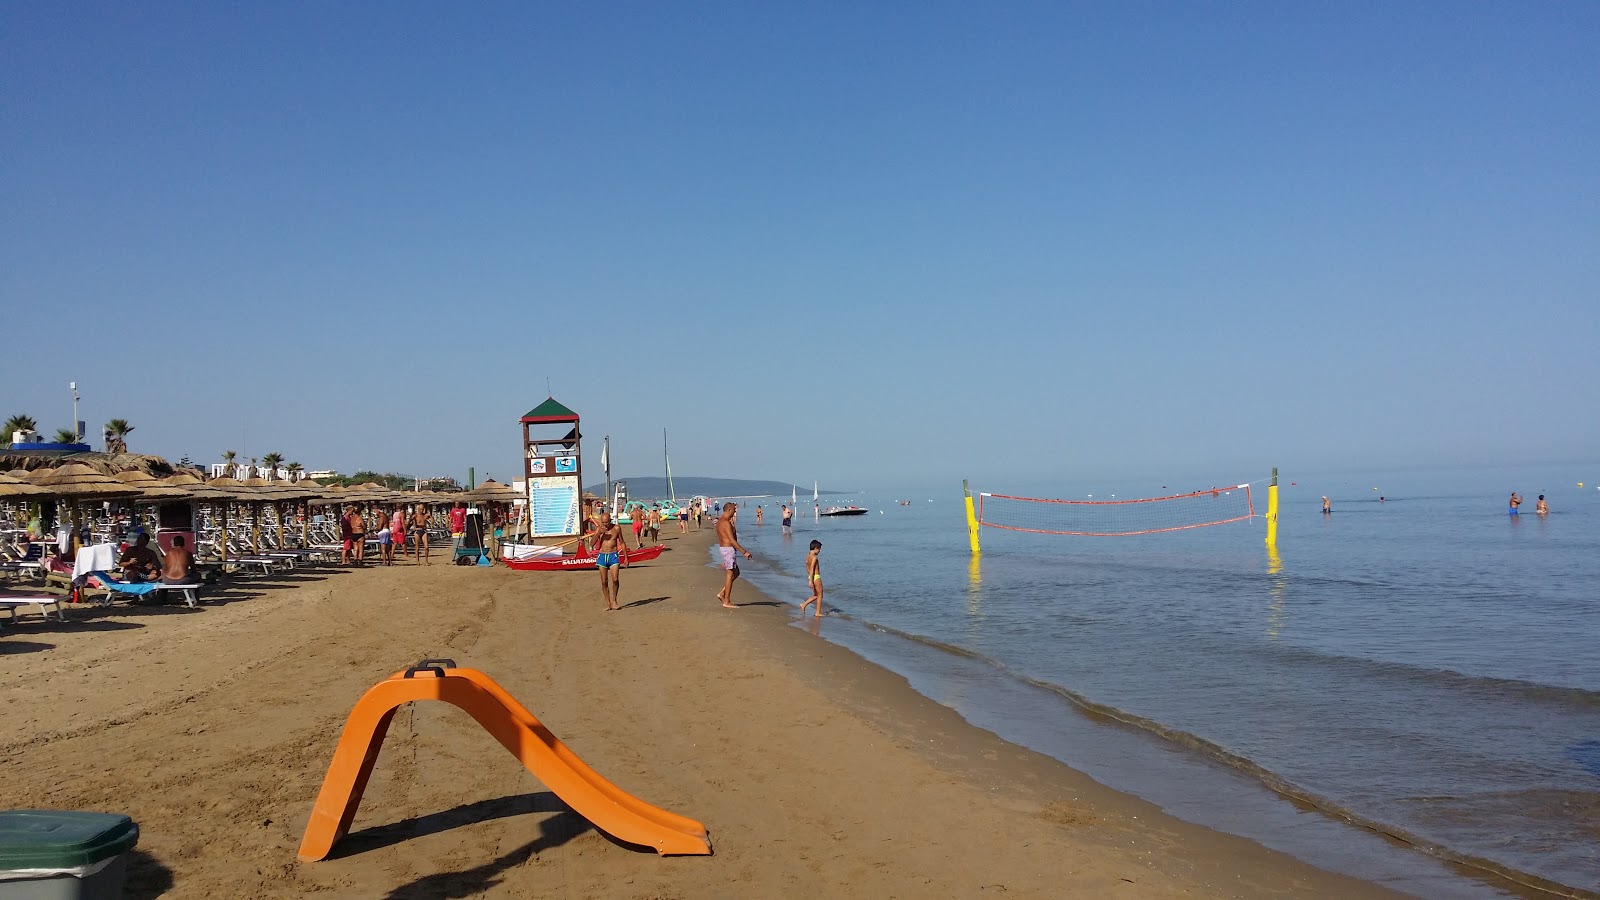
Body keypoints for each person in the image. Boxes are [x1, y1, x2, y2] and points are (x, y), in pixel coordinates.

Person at [714, 502, 753, 609]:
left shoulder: (722, 521)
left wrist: (733, 525)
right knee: (730, 574)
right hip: (728, 549)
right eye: (734, 509)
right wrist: (744, 552)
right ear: (729, 509)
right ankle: (726, 601)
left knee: (736, 572)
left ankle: (722, 593)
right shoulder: (725, 522)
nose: (735, 511)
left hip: (724, 549)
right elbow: (732, 540)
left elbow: (731, 536)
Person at [588, 510, 630, 611]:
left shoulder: (616, 528)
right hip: (602, 556)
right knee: (604, 581)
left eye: (606, 522)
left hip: (613, 555)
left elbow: (622, 543)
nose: (605, 524)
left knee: (615, 579)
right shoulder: (599, 529)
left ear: (610, 520)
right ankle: (608, 603)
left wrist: (626, 557)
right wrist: (598, 534)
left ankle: (615, 601)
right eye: (603, 522)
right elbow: (591, 544)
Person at [800, 539, 824, 618]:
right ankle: (817, 612)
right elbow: (812, 568)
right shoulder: (814, 557)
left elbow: (808, 567)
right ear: (816, 548)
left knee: (816, 595)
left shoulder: (807, 556)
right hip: (816, 577)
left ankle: (803, 605)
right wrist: (811, 581)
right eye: (819, 549)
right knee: (820, 595)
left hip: (811, 576)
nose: (819, 551)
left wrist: (810, 577)